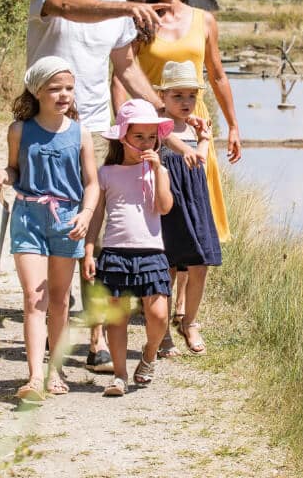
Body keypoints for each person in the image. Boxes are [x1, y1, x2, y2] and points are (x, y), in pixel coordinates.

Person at [27, 0, 170, 373]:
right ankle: (53, 326)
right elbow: (69, 8)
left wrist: (165, 110)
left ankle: (93, 340)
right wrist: (127, 8)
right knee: (53, 225)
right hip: (47, 128)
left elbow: (125, 68)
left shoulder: (117, 10)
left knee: (94, 231)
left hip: (93, 127)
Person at [118, 0, 242, 326]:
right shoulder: (141, 20)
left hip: (195, 122)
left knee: (195, 206)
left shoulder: (203, 20)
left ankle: (187, 313)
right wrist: (124, 127)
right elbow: (123, 72)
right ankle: (156, 295)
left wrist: (233, 124)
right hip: (151, 124)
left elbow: (217, 75)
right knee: (161, 207)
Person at [0, 56, 99, 401]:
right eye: (54, 88)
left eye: (68, 87)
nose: (63, 94)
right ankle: (35, 377)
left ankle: (55, 370)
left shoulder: (81, 133)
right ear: (37, 91)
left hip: (67, 221)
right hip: (28, 216)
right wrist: (2, 177)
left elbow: (92, 184)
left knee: (60, 300)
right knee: (33, 298)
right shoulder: (20, 130)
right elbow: (13, 169)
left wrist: (86, 214)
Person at [83, 100, 174, 397]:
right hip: (115, 251)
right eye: (139, 137)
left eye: (152, 137)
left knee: (159, 314)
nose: (146, 143)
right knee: (116, 317)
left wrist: (159, 171)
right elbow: (96, 216)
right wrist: (89, 250)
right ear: (122, 137)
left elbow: (164, 207)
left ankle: (148, 354)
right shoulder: (107, 173)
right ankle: (119, 375)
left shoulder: (157, 171)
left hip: (151, 251)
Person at [153, 61, 221, 357]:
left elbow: (200, 166)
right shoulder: (158, 127)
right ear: (163, 98)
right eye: (177, 96)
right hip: (169, 201)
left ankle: (189, 321)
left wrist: (204, 140)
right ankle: (163, 330)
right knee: (165, 266)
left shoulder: (195, 127)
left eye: (191, 96)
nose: (185, 102)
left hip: (196, 200)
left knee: (199, 263)